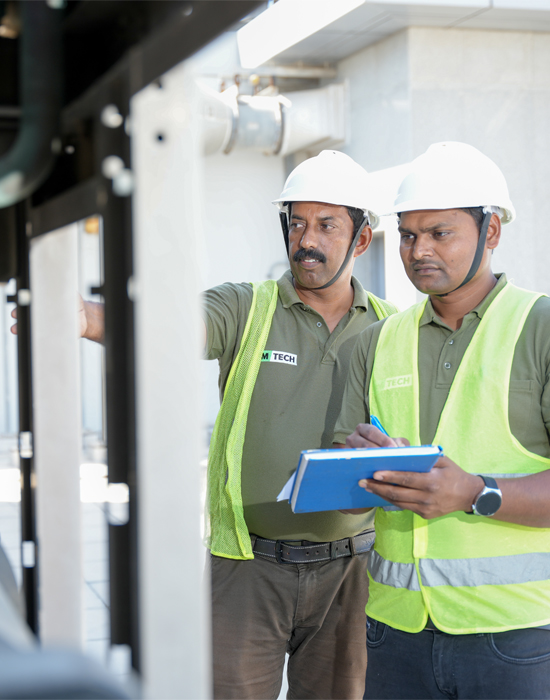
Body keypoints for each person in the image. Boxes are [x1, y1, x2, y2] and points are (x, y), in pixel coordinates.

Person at [42, 150, 398, 700]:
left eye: (327, 225)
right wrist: (90, 317)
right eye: (297, 222)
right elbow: (166, 324)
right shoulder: (246, 307)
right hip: (247, 570)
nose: (307, 238)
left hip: (351, 574)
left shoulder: (391, 329)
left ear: (362, 239)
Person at [333, 141, 550, 700]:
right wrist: (358, 474)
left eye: (439, 233)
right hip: (394, 632)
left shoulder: (541, 327)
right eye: (407, 235)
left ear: (492, 232)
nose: (417, 250)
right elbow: (347, 503)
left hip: (516, 636)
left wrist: (476, 492)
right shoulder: (375, 342)